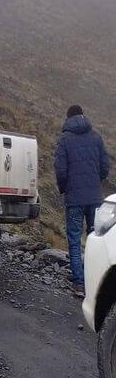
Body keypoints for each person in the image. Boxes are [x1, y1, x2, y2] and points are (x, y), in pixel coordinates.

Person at [54, 104, 110, 294]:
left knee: (75, 240)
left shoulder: (64, 139)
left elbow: (61, 171)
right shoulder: (96, 137)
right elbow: (105, 166)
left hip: (75, 200)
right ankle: (96, 284)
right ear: (83, 115)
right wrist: (96, 182)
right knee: (96, 240)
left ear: (68, 118)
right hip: (95, 198)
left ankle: (79, 283)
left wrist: (65, 189)